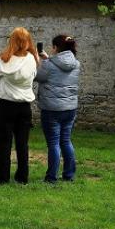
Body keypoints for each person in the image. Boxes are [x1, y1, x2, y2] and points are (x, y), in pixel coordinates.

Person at [0, 27, 38, 185]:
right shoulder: (32, 59)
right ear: (27, 41)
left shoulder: (4, 59)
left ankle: (2, 178)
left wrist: (0, 86)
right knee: (22, 143)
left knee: (4, 143)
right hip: (24, 106)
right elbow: (32, 77)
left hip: (6, 105)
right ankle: (22, 177)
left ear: (12, 40)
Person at [35, 34, 80, 183]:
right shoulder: (76, 64)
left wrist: (38, 60)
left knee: (53, 143)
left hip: (52, 109)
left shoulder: (49, 64)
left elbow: (38, 76)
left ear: (56, 48)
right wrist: (47, 59)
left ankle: (51, 178)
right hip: (70, 108)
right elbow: (58, 68)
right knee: (66, 141)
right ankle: (69, 175)